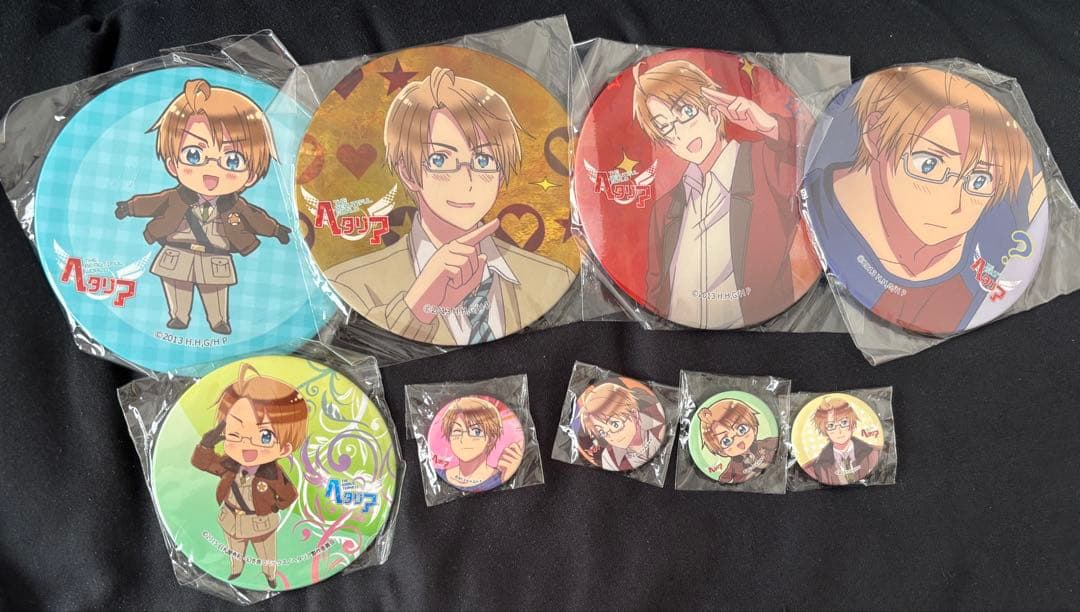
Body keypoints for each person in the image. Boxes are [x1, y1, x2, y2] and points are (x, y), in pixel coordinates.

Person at [324, 67, 574, 345]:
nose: (466, 181)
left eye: (483, 161)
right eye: (441, 160)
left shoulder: (550, 276)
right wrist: (417, 306)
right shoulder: (352, 285)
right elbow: (365, 352)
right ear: (407, 172)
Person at [805, 66, 1043, 334]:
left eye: (979, 181)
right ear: (876, 135)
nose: (954, 204)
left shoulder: (1000, 241)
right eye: (929, 165)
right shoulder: (819, 206)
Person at [632, 59, 806, 328]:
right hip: (678, 337)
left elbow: (812, 157)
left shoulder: (763, 164)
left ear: (713, 113)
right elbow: (656, 291)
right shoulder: (665, 208)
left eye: (686, 111)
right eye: (665, 126)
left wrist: (769, 126)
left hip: (757, 333)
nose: (680, 132)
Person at [115, 79, 291, 335]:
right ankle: (178, 316)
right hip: (178, 251)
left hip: (215, 255)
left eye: (232, 160)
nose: (211, 171)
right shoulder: (175, 197)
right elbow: (152, 203)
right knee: (176, 284)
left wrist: (275, 230)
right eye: (194, 155)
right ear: (173, 164)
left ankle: (219, 321)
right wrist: (129, 207)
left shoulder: (235, 205)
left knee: (215, 289)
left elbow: (255, 218)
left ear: (251, 176)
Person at [191, 364, 307, 588]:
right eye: (235, 434)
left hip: (260, 521)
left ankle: (269, 575)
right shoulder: (228, 464)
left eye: (265, 437)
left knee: (266, 552)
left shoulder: (273, 474)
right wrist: (206, 444)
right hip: (231, 517)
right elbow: (201, 463)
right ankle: (236, 571)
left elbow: (289, 495)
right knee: (234, 549)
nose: (247, 445)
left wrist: (271, 507)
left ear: (284, 448)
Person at [437, 397, 522, 492]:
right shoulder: (440, 472)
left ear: (491, 438)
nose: (464, 439)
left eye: (476, 432)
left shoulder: (501, 476)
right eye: (457, 431)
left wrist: (506, 476)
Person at [577, 381, 664, 471]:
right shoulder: (609, 458)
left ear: (634, 414)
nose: (611, 437)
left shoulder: (658, 415)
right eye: (602, 432)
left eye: (615, 424)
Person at [803, 397, 881, 485]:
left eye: (844, 423)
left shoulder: (873, 453)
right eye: (831, 426)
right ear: (825, 431)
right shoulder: (816, 467)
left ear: (852, 423)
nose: (839, 431)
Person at [698, 398, 777, 483]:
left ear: (754, 428)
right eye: (726, 441)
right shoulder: (734, 465)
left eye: (742, 429)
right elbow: (723, 478)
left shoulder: (762, 444)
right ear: (722, 452)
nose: (738, 441)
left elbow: (777, 442)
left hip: (774, 472)